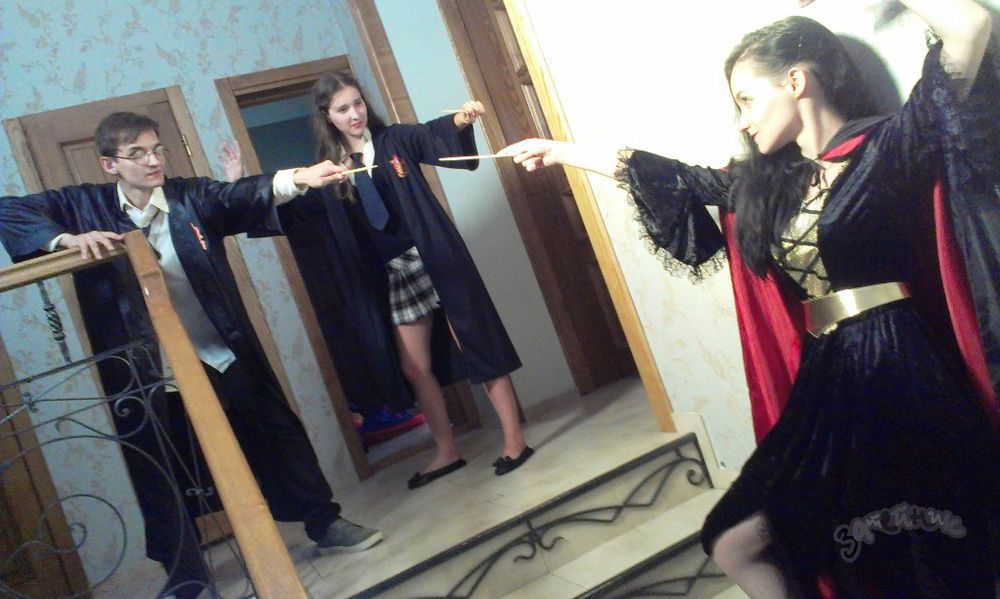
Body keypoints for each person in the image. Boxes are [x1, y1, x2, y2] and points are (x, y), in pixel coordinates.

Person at [502, 1, 1000, 596]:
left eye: (746, 99)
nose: (741, 121)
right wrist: (558, 150)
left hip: (900, 367)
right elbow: (665, 174)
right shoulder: (764, 185)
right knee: (734, 538)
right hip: (827, 375)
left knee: (926, 546)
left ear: (796, 81)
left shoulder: (890, 147)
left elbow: (970, 27)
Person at [0, 112, 383, 599]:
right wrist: (67, 239)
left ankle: (323, 522)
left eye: (156, 149)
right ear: (110, 164)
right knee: (161, 466)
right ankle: (185, 571)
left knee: (275, 432)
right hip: (149, 373)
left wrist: (302, 176)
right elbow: (7, 211)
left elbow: (239, 196)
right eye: (137, 154)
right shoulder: (84, 205)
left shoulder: (189, 196)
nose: (153, 161)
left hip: (219, 351)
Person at [281, 71, 533, 489]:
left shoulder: (394, 140)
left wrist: (462, 120)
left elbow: (430, 135)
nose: (354, 114)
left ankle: (514, 441)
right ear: (327, 116)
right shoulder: (329, 168)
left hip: (434, 257)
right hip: (395, 273)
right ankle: (447, 451)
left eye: (358, 103)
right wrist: (258, 184)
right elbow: (302, 213)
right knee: (414, 367)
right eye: (343, 109)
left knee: (476, 342)